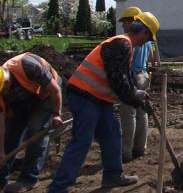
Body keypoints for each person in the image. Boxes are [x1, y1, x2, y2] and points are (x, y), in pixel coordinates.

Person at [47, 12, 160, 193]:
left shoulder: (126, 46)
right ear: (144, 32)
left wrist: (136, 96)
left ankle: (113, 175)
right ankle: (58, 188)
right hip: (85, 96)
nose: (146, 43)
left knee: (112, 135)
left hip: (99, 99)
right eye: (148, 38)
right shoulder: (120, 44)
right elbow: (118, 79)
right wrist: (133, 96)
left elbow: (125, 78)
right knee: (82, 141)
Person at [0, 53, 64, 192]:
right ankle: (1, 178)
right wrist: (1, 151)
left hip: (47, 94)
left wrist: (56, 114)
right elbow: (1, 123)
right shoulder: (1, 90)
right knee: (10, 134)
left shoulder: (27, 66)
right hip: (23, 100)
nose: (5, 92)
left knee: (36, 130)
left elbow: (55, 90)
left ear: (7, 79)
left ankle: (29, 179)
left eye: (5, 88)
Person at [120, 12, 156, 163]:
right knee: (142, 113)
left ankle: (125, 152)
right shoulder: (147, 41)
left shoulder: (131, 41)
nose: (123, 26)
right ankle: (140, 148)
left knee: (129, 114)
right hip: (143, 75)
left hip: (133, 76)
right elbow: (151, 57)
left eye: (125, 22)